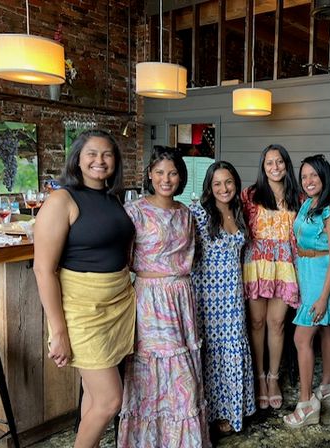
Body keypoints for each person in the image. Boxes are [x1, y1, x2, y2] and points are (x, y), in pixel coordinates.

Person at [34, 130, 136, 448]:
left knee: (93, 398)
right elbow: (44, 269)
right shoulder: (61, 200)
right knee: (110, 401)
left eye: (107, 154)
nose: (99, 161)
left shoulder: (113, 198)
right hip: (82, 310)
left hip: (117, 305)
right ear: (77, 158)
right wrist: (58, 331)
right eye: (91, 153)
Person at [118, 147, 210, 447]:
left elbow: (192, 255)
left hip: (182, 296)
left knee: (183, 367)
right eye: (159, 172)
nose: (166, 179)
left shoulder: (186, 213)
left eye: (172, 173)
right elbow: (125, 257)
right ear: (149, 175)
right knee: (152, 367)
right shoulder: (135, 212)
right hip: (150, 296)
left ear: (180, 177)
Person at [190, 161, 256, 435]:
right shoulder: (199, 213)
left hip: (232, 295)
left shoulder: (239, 212)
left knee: (233, 346)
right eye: (217, 183)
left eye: (228, 182)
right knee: (210, 352)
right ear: (209, 187)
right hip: (207, 295)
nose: (223, 188)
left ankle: (233, 410)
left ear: (235, 183)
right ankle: (210, 415)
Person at [283, 155, 330, 428]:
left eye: (314, 176)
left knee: (301, 338)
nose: (308, 181)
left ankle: (306, 403)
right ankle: (329, 384)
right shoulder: (307, 204)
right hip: (305, 270)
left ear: (325, 177)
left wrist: (322, 298)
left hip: (323, 274)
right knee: (327, 330)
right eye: (304, 176)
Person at [241, 144, 300, 410]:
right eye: (269, 163)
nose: (274, 167)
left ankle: (273, 378)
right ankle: (259, 377)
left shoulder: (297, 197)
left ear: (286, 165)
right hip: (256, 263)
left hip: (285, 265)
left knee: (277, 323)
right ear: (262, 167)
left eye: (279, 162)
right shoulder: (250, 195)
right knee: (256, 322)